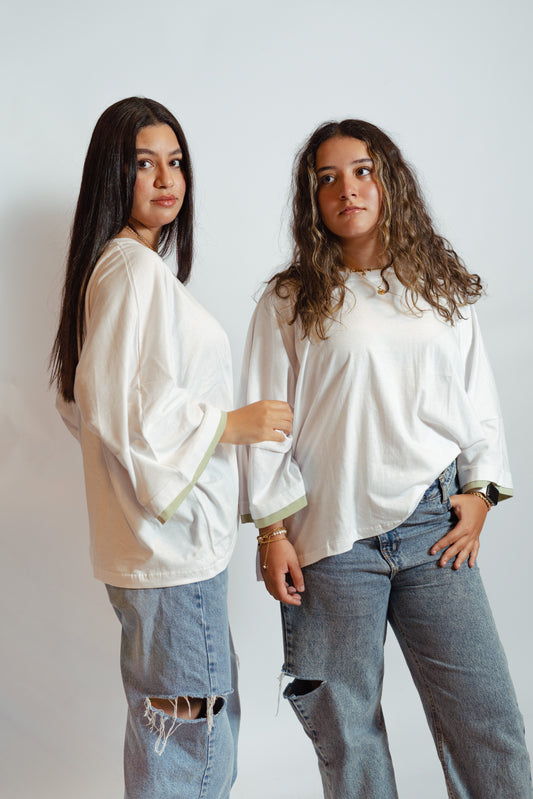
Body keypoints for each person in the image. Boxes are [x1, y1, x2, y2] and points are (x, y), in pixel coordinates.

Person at [239, 119, 532, 798]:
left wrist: (482, 491)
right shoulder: (288, 301)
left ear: (389, 181)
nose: (347, 189)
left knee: (486, 720)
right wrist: (271, 530)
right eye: (328, 178)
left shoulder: (438, 286)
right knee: (349, 734)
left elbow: (477, 400)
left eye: (362, 171)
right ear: (312, 200)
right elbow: (265, 425)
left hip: (433, 528)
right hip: (330, 538)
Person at [50, 96, 292, 799]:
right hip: (172, 555)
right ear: (112, 174)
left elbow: (93, 403)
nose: (166, 178)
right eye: (143, 163)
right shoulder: (130, 271)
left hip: (163, 553)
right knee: (194, 741)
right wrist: (228, 424)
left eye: (175, 162)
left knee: (175, 731)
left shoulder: (127, 269)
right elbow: (110, 404)